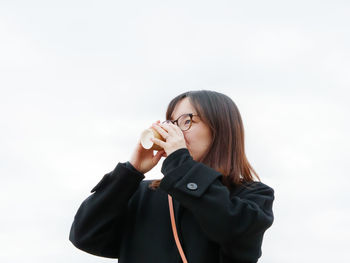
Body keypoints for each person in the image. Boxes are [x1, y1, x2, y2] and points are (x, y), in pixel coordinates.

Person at [69, 90, 275, 263]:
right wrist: (131, 171)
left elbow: (233, 233)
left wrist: (179, 163)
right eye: (172, 123)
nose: (175, 131)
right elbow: (85, 235)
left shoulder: (253, 196)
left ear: (219, 128)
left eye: (187, 121)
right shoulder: (144, 194)